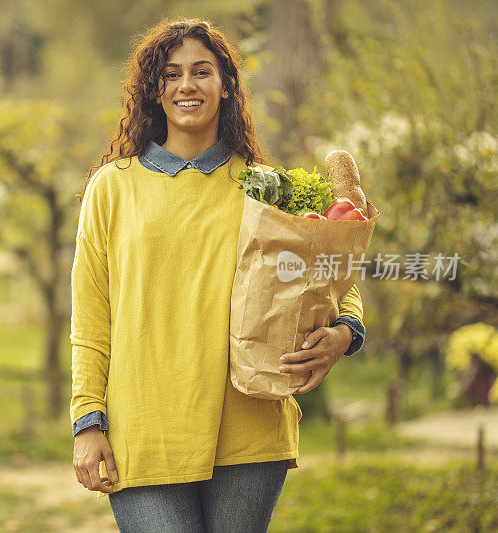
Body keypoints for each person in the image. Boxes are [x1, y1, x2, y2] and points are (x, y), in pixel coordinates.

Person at [69, 18, 365, 532]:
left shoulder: (263, 186)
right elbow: (91, 317)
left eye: (202, 72)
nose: (187, 85)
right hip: (143, 431)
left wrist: (345, 331)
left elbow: (332, 270)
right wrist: (87, 421)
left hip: (248, 431)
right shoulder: (111, 189)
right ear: (153, 89)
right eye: (172, 73)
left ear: (226, 86)